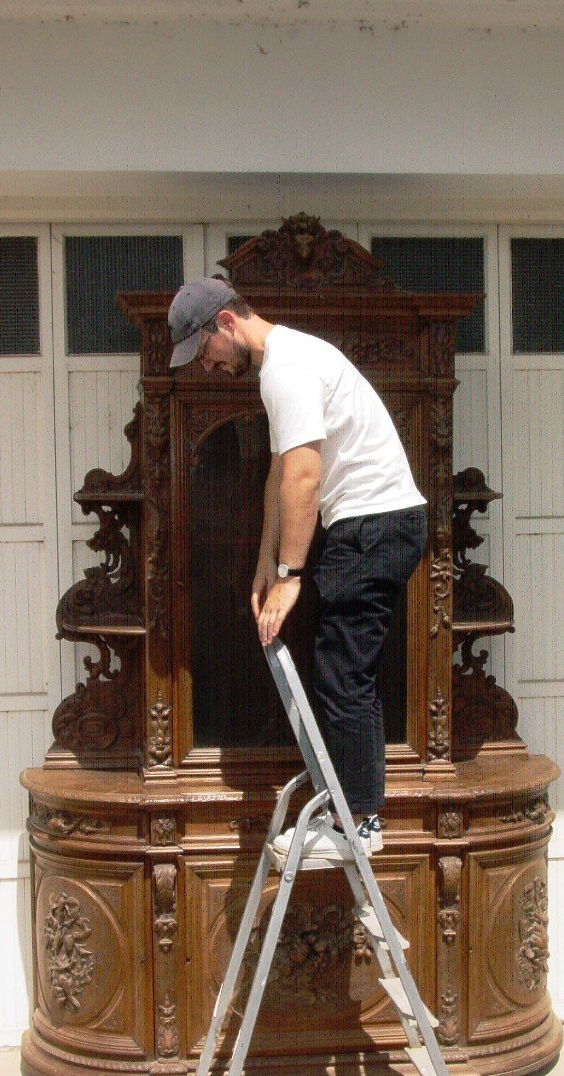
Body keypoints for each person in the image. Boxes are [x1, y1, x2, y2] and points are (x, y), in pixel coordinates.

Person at [168, 277, 427, 859]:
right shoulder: (284, 364)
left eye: (202, 352)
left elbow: (306, 477)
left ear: (225, 324)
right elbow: (280, 474)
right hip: (371, 524)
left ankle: (358, 825)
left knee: (342, 673)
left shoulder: (287, 367)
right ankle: (350, 814)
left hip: (373, 523)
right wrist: (266, 559)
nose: (205, 368)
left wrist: (290, 575)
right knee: (342, 666)